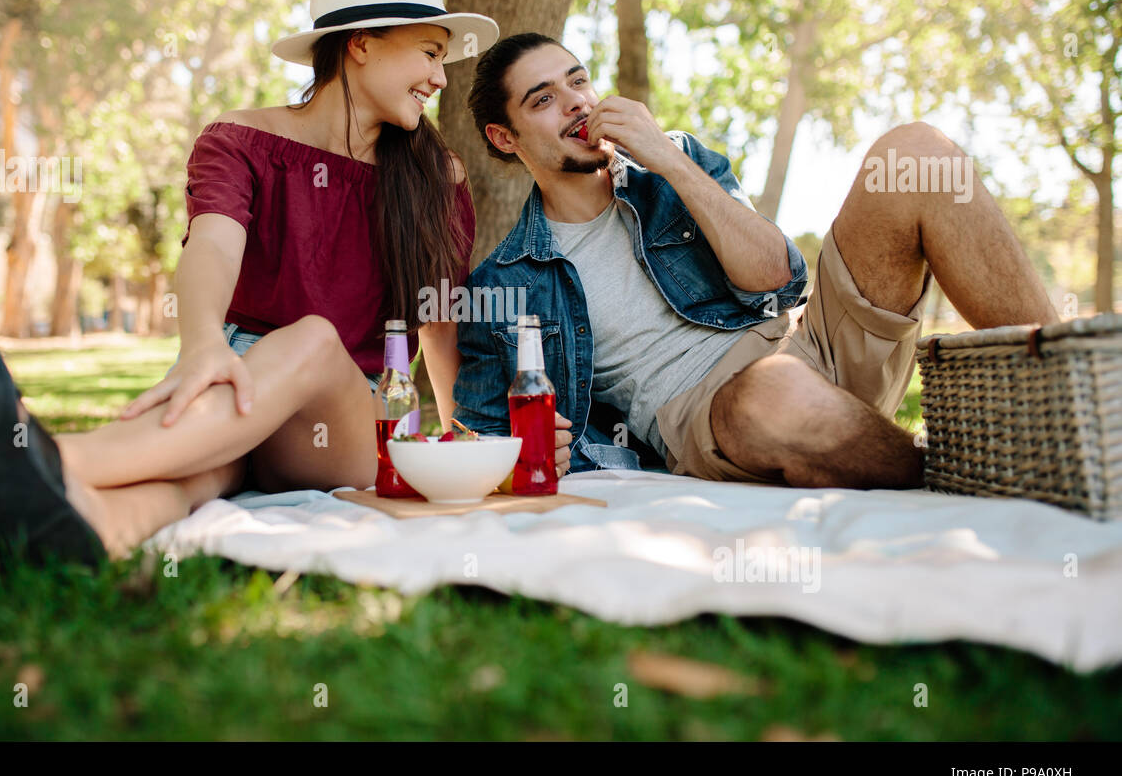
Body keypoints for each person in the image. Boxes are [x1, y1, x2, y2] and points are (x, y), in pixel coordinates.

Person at [0, 0, 498, 584]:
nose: (441, 78)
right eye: (430, 52)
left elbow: (438, 324)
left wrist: (461, 441)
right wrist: (205, 343)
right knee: (190, 479)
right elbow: (212, 242)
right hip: (237, 386)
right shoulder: (239, 139)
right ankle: (19, 534)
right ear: (363, 44)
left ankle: (40, 456)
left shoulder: (438, 177)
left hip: (347, 425)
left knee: (314, 340)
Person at [452, 32, 1059, 488]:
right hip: (713, 411)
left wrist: (667, 159)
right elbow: (481, 428)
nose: (577, 104)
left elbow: (779, 278)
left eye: (578, 81)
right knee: (773, 392)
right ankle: (953, 476)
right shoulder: (506, 281)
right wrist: (538, 451)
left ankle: (1078, 398)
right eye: (544, 100)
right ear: (505, 137)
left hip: (806, 338)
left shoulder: (675, 161)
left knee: (918, 154)